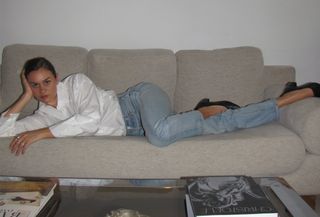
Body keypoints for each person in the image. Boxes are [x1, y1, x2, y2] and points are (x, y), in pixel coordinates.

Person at [0, 57, 319, 156]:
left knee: (161, 134)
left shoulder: (77, 82)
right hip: (139, 129)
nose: (42, 89)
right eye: (35, 84)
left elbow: (91, 118)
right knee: (223, 124)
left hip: (139, 99)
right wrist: (24, 98)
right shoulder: (40, 114)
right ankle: (286, 98)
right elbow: (4, 133)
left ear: (56, 77)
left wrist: (42, 135)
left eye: (46, 81)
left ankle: (198, 112)